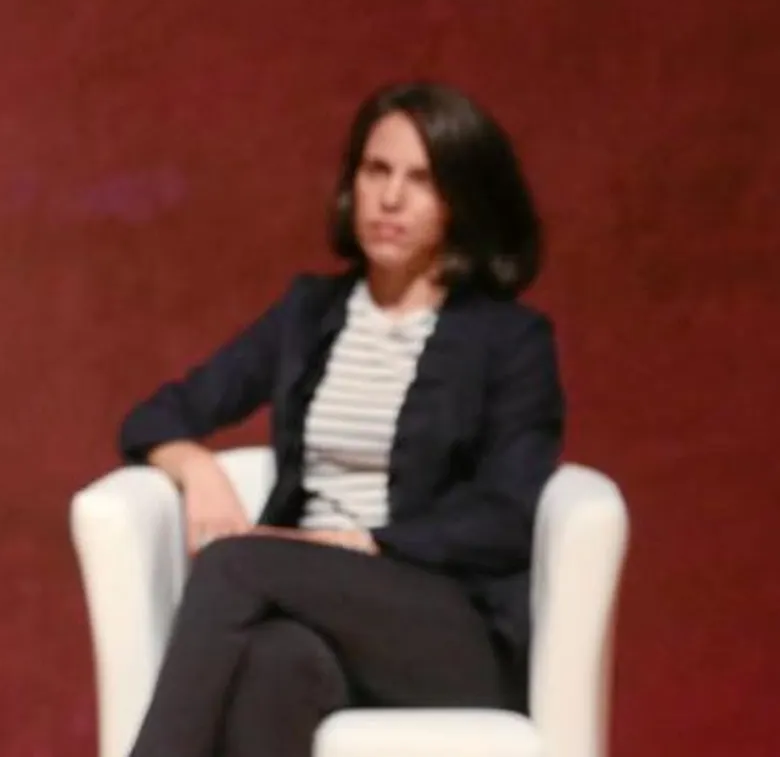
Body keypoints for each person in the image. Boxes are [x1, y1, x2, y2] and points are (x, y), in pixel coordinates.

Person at [117, 81, 563, 757]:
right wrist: (196, 464)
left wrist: (364, 543)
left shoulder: (509, 339)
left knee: (233, 565)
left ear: (460, 200)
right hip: (310, 607)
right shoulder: (309, 312)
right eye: (376, 170)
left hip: (444, 628)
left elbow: (504, 515)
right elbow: (158, 414)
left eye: (420, 179)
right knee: (275, 664)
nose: (390, 198)